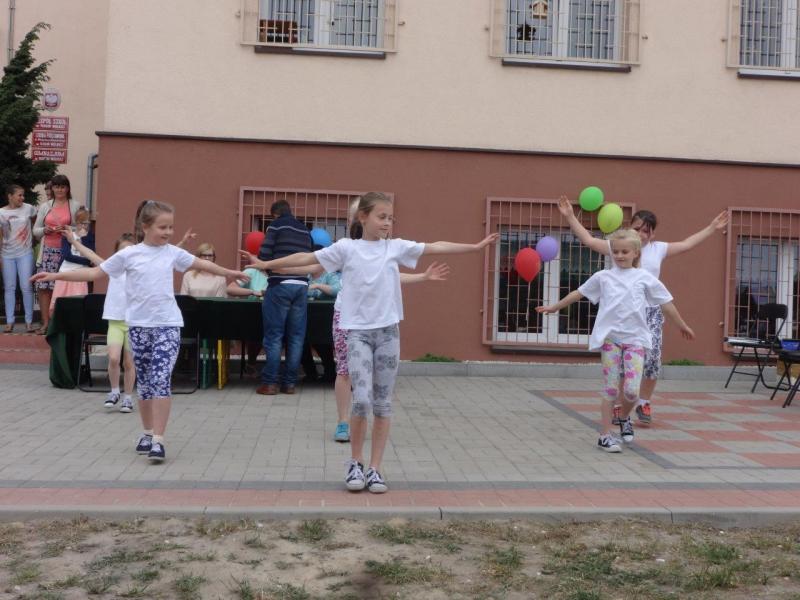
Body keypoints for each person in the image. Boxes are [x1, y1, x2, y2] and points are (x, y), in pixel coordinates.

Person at [244, 191, 498, 494]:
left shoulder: (395, 248)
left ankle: (376, 469)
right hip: (358, 333)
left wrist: (475, 247)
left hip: (388, 332)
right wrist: (266, 264)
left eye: (390, 218)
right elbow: (308, 259)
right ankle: (355, 462)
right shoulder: (346, 249)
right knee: (361, 399)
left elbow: (435, 246)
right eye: (381, 217)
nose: (387, 223)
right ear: (363, 217)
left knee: (383, 403)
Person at [32, 200, 249, 463]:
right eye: (163, 227)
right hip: (138, 327)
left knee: (160, 380)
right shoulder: (129, 255)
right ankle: (146, 433)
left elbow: (202, 265)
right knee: (145, 384)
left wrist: (229, 272)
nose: (168, 232)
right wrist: (54, 276)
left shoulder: (172, 253)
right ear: (145, 226)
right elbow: (94, 273)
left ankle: (158, 439)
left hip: (168, 325)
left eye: (171, 227)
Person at [557, 196, 727, 425]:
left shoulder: (659, 249)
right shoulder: (618, 246)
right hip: (622, 314)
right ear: (630, 229)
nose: (641, 233)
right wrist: (569, 216)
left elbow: (687, 244)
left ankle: (643, 402)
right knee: (618, 363)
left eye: (646, 230)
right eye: (637, 228)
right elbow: (588, 240)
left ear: (652, 234)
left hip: (651, 313)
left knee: (651, 360)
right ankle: (619, 406)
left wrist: (711, 228)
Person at [536, 229, 694, 453]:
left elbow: (666, 303)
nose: (620, 255)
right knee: (611, 389)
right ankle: (605, 435)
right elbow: (578, 293)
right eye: (616, 251)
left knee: (631, 392)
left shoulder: (644, 279)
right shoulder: (603, 277)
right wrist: (554, 307)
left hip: (636, 341)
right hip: (611, 340)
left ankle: (624, 417)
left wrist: (682, 325)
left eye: (625, 251)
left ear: (636, 253)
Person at [63, 231, 138, 412]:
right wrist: (74, 241)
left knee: (129, 363)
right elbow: (90, 255)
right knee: (113, 358)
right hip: (115, 322)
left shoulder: (140, 271)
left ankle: (128, 397)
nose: (125, 254)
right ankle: (114, 391)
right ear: (116, 254)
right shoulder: (111, 268)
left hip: (133, 324)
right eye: (122, 251)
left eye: (130, 250)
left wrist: (182, 242)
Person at [256, 200, 314, 396]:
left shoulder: (276, 225)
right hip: (301, 287)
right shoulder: (305, 230)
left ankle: (270, 383)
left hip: (279, 285)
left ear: (275, 214)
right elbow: (311, 257)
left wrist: (267, 269)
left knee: (274, 336)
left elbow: (264, 255)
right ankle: (289, 384)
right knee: (296, 337)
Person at [32, 175, 81, 334]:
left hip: (66, 252)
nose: (59, 189)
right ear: (52, 189)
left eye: (63, 186)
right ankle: (46, 323)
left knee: (62, 287)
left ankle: (60, 323)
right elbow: (36, 230)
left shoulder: (75, 205)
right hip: (47, 251)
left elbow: (82, 229)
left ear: (68, 188)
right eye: (56, 186)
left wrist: (67, 229)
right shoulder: (45, 206)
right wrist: (44, 230)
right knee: (44, 287)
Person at [0, 185, 37, 333]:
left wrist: (33, 237)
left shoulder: (28, 208)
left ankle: (29, 322)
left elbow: (36, 221)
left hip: (25, 253)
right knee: (9, 288)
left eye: (23, 195)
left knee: (26, 287)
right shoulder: (1, 212)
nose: (22, 198)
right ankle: (10, 322)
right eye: (19, 195)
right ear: (10, 196)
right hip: (7, 254)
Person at [49, 207, 95, 315]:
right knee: (60, 304)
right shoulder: (68, 235)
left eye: (86, 223)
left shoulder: (90, 237)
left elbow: (91, 253)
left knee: (78, 305)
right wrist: (86, 261)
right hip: (65, 273)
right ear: (76, 222)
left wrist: (83, 238)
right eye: (81, 223)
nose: (83, 226)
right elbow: (67, 256)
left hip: (81, 275)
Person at [227, 264, 269, 376]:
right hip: (253, 315)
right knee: (256, 331)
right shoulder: (251, 271)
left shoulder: (281, 273)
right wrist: (252, 292)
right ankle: (251, 364)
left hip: (274, 314)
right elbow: (230, 289)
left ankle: (270, 370)